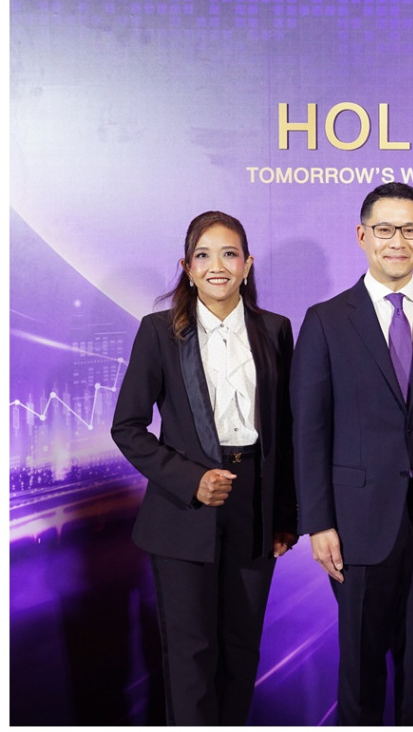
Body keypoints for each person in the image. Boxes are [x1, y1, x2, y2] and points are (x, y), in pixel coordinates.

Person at [291, 182, 413, 725]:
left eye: (409, 229)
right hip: (356, 525)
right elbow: (309, 428)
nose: (398, 241)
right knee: (361, 671)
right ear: (362, 235)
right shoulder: (326, 320)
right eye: (385, 229)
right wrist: (318, 521)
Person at [111, 211, 297, 725]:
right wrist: (192, 479)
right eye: (204, 255)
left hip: (254, 508)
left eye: (229, 254)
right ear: (187, 268)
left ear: (247, 264)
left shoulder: (275, 329)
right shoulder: (159, 331)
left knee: (241, 652)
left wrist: (286, 515)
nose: (218, 265)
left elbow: (287, 430)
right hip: (184, 510)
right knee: (191, 656)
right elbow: (127, 427)